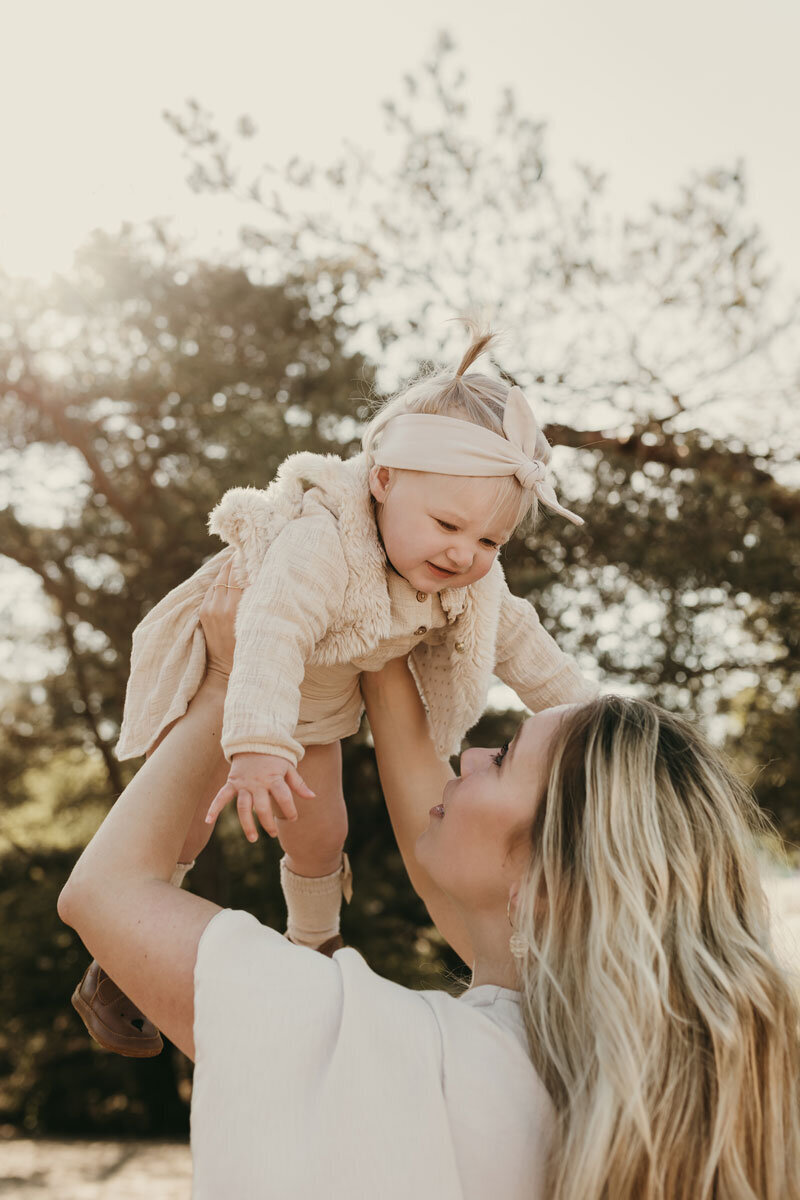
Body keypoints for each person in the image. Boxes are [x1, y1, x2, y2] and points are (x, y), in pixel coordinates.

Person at [58, 561, 800, 1199]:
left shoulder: (374, 1046)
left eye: (504, 758)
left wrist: (229, 682)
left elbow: (105, 893)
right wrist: (380, 625)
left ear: (545, 885)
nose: (469, 757)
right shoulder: (652, 1082)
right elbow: (439, 841)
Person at [71, 325, 596, 1056]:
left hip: (315, 714)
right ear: (382, 481)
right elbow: (271, 627)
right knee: (182, 822)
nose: (463, 554)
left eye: (489, 543)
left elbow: (527, 648)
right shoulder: (324, 538)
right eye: (448, 525)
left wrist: (603, 723)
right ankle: (115, 963)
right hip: (225, 681)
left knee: (322, 832)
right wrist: (254, 744)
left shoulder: (466, 581)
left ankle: (314, 940)